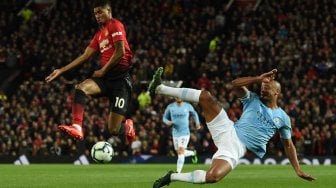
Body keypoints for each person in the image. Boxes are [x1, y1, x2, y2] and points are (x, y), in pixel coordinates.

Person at [148, 67, 316, 187]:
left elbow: (288, 145)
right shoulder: (252, 99)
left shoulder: (283, 118)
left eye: (267, 88)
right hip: (228, 128)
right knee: (206, 96)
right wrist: (257, 78)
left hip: (236, 147)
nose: (263, 90)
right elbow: (234, 84)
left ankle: (172, 177)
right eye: (262, 87)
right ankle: (160, 88)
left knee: (213, 177)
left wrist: (298, 169)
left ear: (277, 93)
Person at [45, 0, 135, 143]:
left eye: (100, 12)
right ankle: (77, 127)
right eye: (95, 13)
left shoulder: (115, 25)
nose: (97, 15)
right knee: (81, 88)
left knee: (113, 130)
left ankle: (127, 125)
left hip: (121, 82)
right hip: (106, 79)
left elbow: (120, 51)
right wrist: (61, 70)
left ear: (109, 11)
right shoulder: (99, 34)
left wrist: (103, 70)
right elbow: (85, 56)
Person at [163, 97, 201, 173]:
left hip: (185, 132)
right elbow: (164, 118)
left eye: (180, 96)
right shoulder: (170, 106)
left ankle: (178, 172)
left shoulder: (187, 106)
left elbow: (195, 113)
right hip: (175, 133)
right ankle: (193, 153)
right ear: (175, 97)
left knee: (180, 151)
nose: (178, 97)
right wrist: (168, 122)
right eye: (176, 96)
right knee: (180, 152)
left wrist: (197, 123)